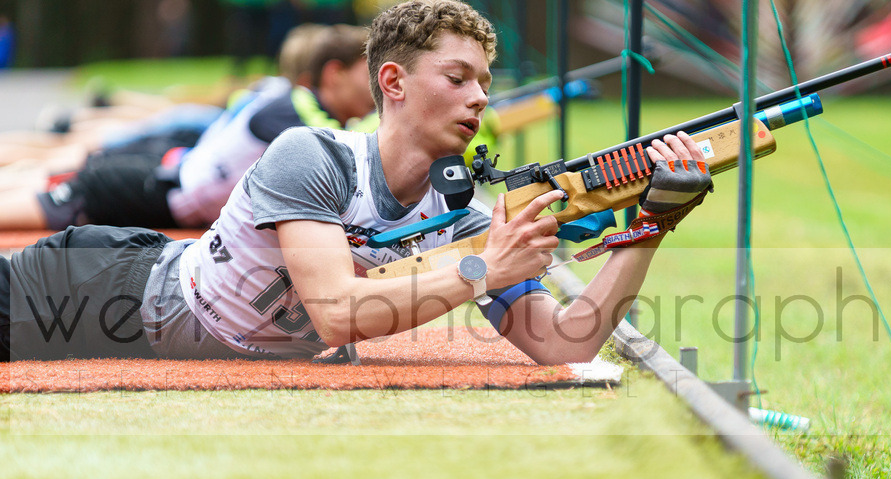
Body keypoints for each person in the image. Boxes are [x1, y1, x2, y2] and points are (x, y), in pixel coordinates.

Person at [0, 0, 711, 365]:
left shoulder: (460, 217)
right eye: (458, 78)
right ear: (392, 83)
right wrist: (485, 267)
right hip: (97, 288)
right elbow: (338, 313)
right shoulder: (311, 154)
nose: (479, 99)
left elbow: (566, 344)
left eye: (485, 84)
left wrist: (649, 228)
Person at [0, 23, 375, 234]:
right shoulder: (298, 115)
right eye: (369, 74)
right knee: (31, 199)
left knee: (41, 177)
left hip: (159, 180)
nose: (377, 88)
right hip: (144, 188)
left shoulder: (290, 100)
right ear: (332, 74)